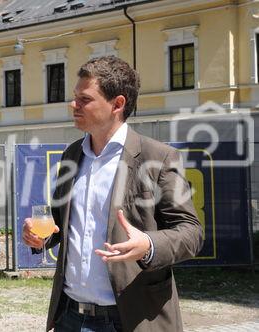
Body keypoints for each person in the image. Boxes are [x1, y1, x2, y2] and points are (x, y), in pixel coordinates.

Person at [23, 56, 203, 332]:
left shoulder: (158, 157)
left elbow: (191, 232)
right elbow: (61, 225)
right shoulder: (72, 155)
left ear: (117, 104)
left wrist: (149, 245)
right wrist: (41, 237)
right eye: (75, 97)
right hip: (69, 316)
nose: (73, 105)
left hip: (130, 317)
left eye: (84, 99)